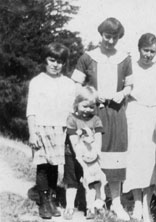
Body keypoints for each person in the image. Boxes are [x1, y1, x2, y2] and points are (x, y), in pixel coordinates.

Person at [70, 17, 133, 221]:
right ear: (101, 35)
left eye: (115, 37)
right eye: (107, 36)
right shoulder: (88, 57)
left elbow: (129, 86)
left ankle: (115, 202)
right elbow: (76, 84)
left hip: (116, 113)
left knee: (115, 157)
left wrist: (122, 94)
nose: (111, 41)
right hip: (93, 115)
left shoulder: (124, 58)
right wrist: (93, 95)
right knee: (93, 157)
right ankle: (96, 201)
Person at [124, 33, 156, 222]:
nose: (148, 55)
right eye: (145, 50)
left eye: (152, 51)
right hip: (134, 113)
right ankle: (136, 203)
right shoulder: (130, 67)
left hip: (154, 118)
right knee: (135, 160)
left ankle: (147, 205)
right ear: (139, 49)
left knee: (152, 162)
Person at [26, 42, 75, 219]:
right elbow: (31, 110)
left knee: (55, 167)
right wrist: (32, 133)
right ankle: (44, 201)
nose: (55, 65)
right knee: (43, 166)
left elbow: (70, 110)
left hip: (60, 129)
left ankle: (52, 198)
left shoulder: (68, 84)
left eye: (60, 62)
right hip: (41, 128)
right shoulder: (37, 81)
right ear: (45, 60)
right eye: (52, 60)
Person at [63, 86, 107, 220]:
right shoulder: (71, 119)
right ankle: (69, 206)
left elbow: (98, 136)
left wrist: (96, 153)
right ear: (77, 104)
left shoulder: (96, 119)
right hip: (74, 155)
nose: (88, 110)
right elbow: (73, 140)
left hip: (91, 157)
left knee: (92, 182)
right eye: (84, 106)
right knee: (72, 182)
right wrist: (79, 155)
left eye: (91, 107)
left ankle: (91, 207)